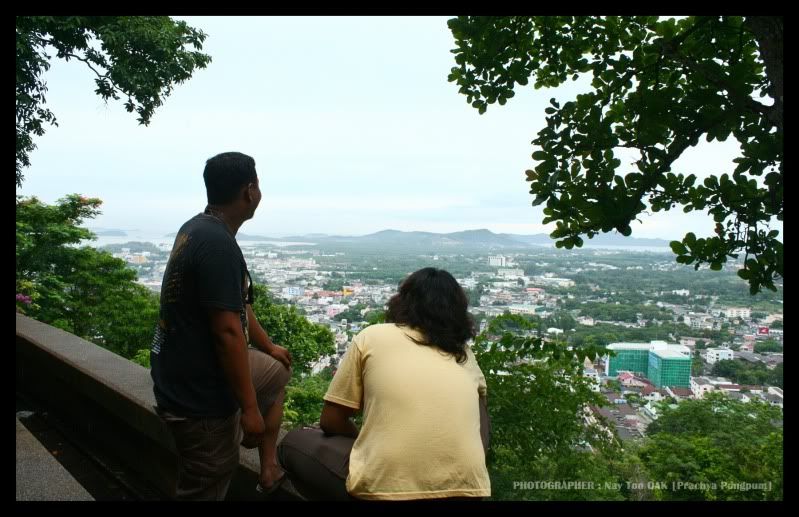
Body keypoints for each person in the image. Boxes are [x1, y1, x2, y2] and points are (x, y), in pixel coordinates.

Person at [278, 267, 490, 501]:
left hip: (387, 489)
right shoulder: (465, 355)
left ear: (403, 302)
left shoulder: (373, 337)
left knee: (292, 444)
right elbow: (481, 432)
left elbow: (331, 421)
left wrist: (364, 441)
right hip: (469, 489)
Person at [150, 152, 292, 500]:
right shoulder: (218, 245)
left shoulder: (197, 228)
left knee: (277, 370)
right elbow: (227, 332)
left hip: (179, 370)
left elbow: (237, 304)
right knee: (207, 482)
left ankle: (269, 467)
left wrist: (268, 347)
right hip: (198, 393)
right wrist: (250, 410)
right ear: (249, 191)